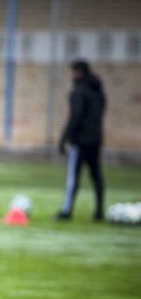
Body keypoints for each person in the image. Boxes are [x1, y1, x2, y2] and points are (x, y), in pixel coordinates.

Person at [56, 59, 106, 221]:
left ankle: (67, 211)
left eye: (73, 71)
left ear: (78, 72)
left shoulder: (78, 91)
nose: (71, 75)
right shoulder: (97, 91)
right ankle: (99, 212)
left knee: (73, 177)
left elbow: (75, 116)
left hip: (80, 141)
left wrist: (64, 139)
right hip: (95, 140)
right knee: (96, 175)